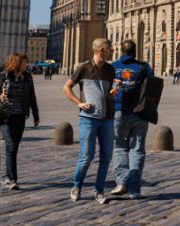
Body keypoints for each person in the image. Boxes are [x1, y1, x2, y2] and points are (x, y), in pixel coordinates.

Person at [63, 38, 118, 204]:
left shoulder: (110, 70)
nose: (112, 51)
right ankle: (77, 186)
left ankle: (99, 191)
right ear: (101, 50)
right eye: (110, 49)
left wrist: (117, 89)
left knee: (106, 156)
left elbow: (107, 95)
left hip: (107, 118)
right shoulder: (84, 68)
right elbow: (67, 87)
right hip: (88, 119)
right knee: (86, 156)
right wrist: (79, 103)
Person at [110, 40, 153, 199]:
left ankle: (121, 182)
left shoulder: (113, 67)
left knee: (119, 147)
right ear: (136, 51)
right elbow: (153, 87)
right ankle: (134, 189)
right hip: (139, 113)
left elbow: (108, 91)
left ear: (120, 50)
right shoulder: (144, 67)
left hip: (118, 112)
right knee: (137, 149)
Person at [0, 52, 40, 191]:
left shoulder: (27, 77)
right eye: (24, 63)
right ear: (17, 63)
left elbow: (32, 96)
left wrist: (36, 115)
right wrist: (0, 95)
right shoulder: (5, 75)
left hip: (20, 115)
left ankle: (8, 176)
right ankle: (12, 178)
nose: (26, 65)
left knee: (14, 148)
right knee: (10, 146)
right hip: (6, 115)